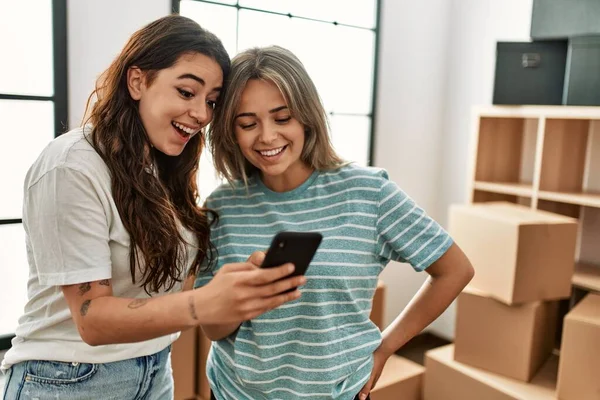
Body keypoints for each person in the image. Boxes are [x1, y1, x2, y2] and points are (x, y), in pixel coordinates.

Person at [1, 17, 304, 400]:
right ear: (137, 81)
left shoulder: (162, 166)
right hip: (67, 377)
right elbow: (91, 319)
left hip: (154, 368)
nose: (202, 114)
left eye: (211, 101)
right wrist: (208, 301)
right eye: (186, 91)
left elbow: (155, 285)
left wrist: (240, 282)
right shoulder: (72, 165)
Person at [195, 45, 475, 400]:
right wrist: (241, 295)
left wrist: (385, 348)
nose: (266, 136)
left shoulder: (368, 193)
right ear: (231, 131)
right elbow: (213, 330)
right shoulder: (222, 208)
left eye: (283, 118)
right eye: (248, 124)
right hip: (236, 392)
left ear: (307, 116)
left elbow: (455, 270)